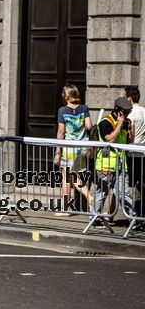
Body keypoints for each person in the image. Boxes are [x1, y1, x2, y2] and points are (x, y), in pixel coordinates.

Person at [90, 97, 133, 224]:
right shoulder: (105, 122)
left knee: (124, 194)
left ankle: (133, 220)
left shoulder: (126, 122)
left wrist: (130, 129)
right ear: (116, 110)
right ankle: (95, 218)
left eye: (128, 112)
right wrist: (119, 124)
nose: (127, 115)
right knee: (101, 193)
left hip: (120, 165)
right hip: (106, 165)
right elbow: (110, 139)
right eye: (125, 112)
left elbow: (129, 141)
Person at [53, 85, 93, 213]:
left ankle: (66, 208)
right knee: (75, 176)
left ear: (67, 96)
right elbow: (89, 126)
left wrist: (57, 152)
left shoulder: (62, 110)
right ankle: (88, 196)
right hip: (82, 147)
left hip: (69, 148)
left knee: (66, 178)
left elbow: (60, 132)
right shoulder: (84, 108)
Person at [124, 86, 145, 215]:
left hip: (131, 153)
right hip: (143, 152)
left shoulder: (131, 113)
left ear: (130, 98)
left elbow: (129, 135)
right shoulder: (144, 111)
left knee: (128, 185)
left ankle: (133, 213)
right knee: (141, 184)